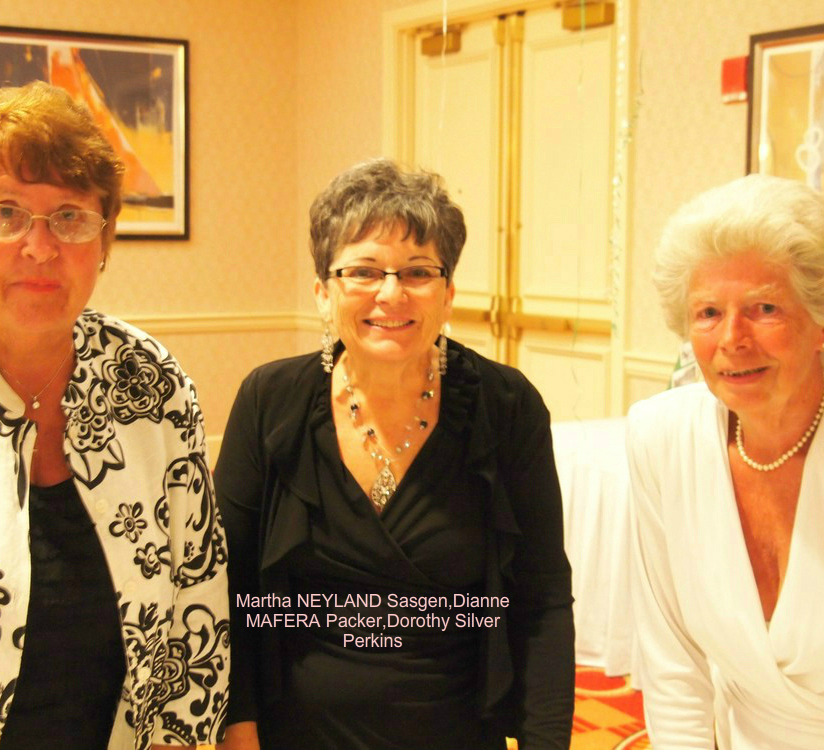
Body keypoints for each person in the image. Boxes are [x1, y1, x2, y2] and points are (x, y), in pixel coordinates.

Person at [0, 82, 229, 749]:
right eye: (5, 213)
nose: (40, 246)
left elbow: (198, 604)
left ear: (104, 238)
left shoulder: (150, 384)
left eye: (71, 217)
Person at [215, 158, 574, 750]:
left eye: (417, 272)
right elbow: (231, 588)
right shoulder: (269, 400)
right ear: (323, 293)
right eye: (362, 271)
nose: (391, 293)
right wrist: (240, 731)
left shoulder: (507, 406)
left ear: (448, 293)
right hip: (296, 733)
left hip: (455, 733)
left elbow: (543, 601)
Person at [627, 174, 824, 748]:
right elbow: (673, 666)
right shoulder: (661, 437)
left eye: (765, 308)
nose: (732, 338)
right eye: (708, 312)